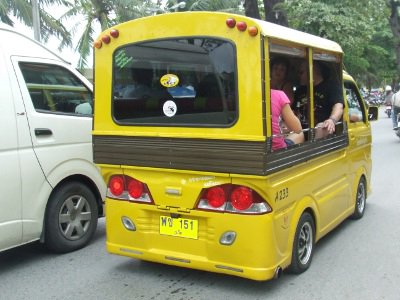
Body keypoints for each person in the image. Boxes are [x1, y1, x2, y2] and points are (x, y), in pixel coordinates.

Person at [293, 61, 344, 139]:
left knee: (322, 127)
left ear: (311, 71)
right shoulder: (300, 90)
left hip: (320, 132)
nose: (298, 75)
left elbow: (338, 106)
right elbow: (293, 110)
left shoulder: (331, 86)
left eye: (301, 72)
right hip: (300, 131)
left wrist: (331, 120)